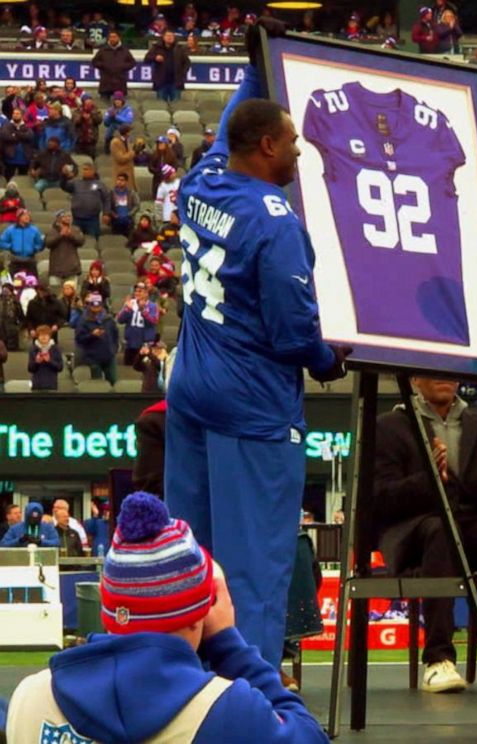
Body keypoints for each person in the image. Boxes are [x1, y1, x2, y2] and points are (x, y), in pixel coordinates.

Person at [165, 23, 348, 673]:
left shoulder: (202, 181)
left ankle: (184, 687)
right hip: (250, 403)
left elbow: (228, 129)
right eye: (293, 143)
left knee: (188, 557)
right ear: (268, 147)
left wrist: (256, 66)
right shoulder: (275, 224)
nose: (301, 153)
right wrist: (330, 362)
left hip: (191, 386)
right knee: (254, 570)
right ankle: (251, 704)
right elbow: (296, 333)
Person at [5, 491, 331, 742]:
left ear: (109, 614)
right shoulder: (230, 711)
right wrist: (229, 645)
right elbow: (308, 736)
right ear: (202, 613)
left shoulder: (28, 700)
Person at [373, 377, 477, 693]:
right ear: (414, 379)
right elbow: (379, 501)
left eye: (450, 372)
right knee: (440, 529)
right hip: (416, 533)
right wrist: (428, 480)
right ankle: (438, 659)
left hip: (471, 528)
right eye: (432, 372)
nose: (444, 379)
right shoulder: (388, 427)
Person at [75, 292, 119, 384]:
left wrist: (114, 349)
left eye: (98, 306)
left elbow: (115, 335)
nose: (96, 308)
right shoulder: (84, 320)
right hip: (93, 357)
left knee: (113, 381)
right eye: (93, 306)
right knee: (97, 384)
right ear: (90, 305)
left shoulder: (109, 319)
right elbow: (79, 339)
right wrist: (92, 335)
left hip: (109, 356)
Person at [60, 161, 111, 240]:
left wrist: (106, 213)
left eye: (87, 169)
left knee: (93, 240)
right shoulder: (76, 183)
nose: (84, 171)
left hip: (92, 220)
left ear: (93, 171)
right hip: (77, 219)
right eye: (83, 169)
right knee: (75, 240)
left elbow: (106, 199)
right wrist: (64, 175)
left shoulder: (99, 184)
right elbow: (64, 186)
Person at [145, 31, 191, 103]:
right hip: (161, 82)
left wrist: (182, 74)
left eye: (171, 36)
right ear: (163, 37)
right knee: (161, 105)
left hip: (175, 83)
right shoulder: (157, 48)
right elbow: (146, 59)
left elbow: (187, 63)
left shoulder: (179, 49)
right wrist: (155, 57)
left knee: (176, 105)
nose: (169, 38)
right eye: (167, 36)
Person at [44, 210, 84, 288]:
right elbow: (47, 243)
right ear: (59, 218)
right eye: (65, 216)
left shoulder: (75, 230)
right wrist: (60, 235)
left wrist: (70, 235)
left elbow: (81, 242)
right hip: (56, 269)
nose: (68, 218)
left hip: (72, 268)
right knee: (55, 293)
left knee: (71, 292)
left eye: (69, 216)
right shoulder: (52, 231)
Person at [92, 31, 136, 100]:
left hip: (120, 83)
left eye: (114, 37)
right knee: (103, 105)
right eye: (110, 37)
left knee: (120, 106)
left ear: (118, 38)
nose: (112, 39)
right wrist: (103, 65)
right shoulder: (103, 50)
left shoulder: (124, 50)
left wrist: (122, 66)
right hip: (105, 83)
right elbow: (94, 62)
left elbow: (132, 63)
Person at [0, 208, 44, 276]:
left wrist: (34, 248)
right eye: (24, 215)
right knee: (13, 284)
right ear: (19, 217)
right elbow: (2, 242)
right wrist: (10, 246)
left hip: (30, 261)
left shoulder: (34, 230)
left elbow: (40, 244)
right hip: (15, 261)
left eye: (28, 215)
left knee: (33, 283)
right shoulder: (11, 229)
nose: (27, 217)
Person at [27, 323, 63, 391]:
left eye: (46, 335)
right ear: (37, 336)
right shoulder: (33, 349)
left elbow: (60, 367)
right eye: (41, 335)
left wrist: (49, 361)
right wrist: (37, 362)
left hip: (51, 384)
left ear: (50, 336)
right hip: (37, 384)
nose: (44, 337)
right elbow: (30, 369)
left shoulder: (56, 349)